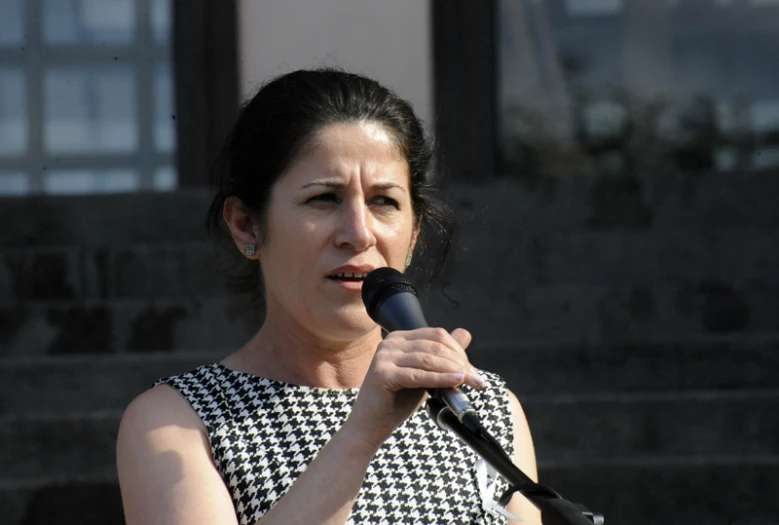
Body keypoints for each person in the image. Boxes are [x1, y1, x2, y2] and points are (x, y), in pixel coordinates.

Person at [116, 68, 541, 525]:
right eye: (323, 199)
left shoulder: (485, 410)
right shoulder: (177, 423)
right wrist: (362, 434)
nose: (358, 233)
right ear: (246, 225)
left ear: (414, 232)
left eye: (384, 202)